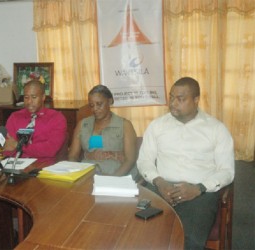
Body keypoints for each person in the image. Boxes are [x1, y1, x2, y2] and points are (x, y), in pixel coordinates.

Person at [137, 77, 235, 249]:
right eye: (171, 97)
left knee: (189, 241)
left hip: (199, 194)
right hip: (160, 189)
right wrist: (160, 182)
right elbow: (144, 160)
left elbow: (227, 171)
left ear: (196, 100)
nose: (173, 103)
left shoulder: (216, 129)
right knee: (140, 234)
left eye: (180, 99)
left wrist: (199, 188)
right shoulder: (157, 126)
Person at [68, 85, 137, 176]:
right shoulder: (83, 125)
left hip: (116, 175)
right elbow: (73, 156)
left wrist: (112, 180)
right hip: (88, 175)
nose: (95, 109)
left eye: (99, 104)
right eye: (91, 105)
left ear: (110, 101)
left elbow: (130, 160)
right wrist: (77, 173)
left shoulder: (125, 125)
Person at [2, 79, 67, 165]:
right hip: (16, 165)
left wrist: (18, 146)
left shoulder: (56, 118)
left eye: (34, 97)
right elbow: (8, 148)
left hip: (43, 166)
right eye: (26, 97)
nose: (29, 102)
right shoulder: (15, 117)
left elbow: (50, 150)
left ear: (43, 97)